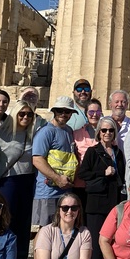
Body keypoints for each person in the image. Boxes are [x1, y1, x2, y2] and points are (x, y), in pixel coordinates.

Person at [77, 115, 126, 259]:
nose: (107, 133)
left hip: (113, 201)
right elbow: (83, 173)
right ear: (99, 132)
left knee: (112, 240)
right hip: (96, 202)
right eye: (104, 130)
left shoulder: (118, 153)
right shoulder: (92, 151)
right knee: (96, 241)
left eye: (111, 130)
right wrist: (102, 173)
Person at [0, 99, 37, 259]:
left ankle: (20, 255)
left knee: (24, 218)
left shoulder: (32, 134)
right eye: (22, 114)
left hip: (27, 179)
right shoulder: (0, 135)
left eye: (29, 114)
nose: (26, 117)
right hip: (7, 180)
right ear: (14, 114)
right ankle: (3, 255)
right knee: (6, 218)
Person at [32, 96, 78, 227]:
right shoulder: (46, 132)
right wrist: (57, 178)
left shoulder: (68, 131)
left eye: (67, 111)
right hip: (47, 192)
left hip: (65, 191)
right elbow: (37, 159)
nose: (63, 114)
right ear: (54, 111)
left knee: (61, 230)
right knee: (42, 231)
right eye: (59, 111)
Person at [72, 98, 103, 208]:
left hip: (99, 183)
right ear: (86, 114)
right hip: (80, 183)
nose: (94, 115)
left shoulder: (107, 133)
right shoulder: (76, 134)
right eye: (91, 112)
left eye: (98, 112)